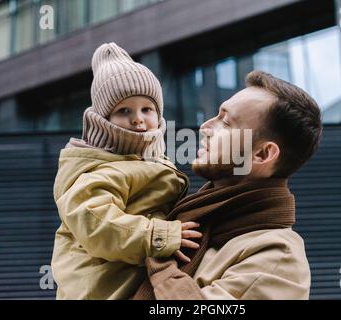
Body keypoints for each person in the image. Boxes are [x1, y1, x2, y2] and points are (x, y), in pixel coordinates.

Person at [133, 70, 322, 300]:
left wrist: (159, 262)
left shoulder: (278, 256)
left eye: (226, 122)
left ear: (262, 153)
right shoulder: (186, 218)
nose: (205, 127)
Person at [51, 42, 201, 299]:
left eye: (147, 109)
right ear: (103, 121)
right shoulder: (100, 168)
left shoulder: (151, 162)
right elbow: (95, 221)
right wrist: (156, 235)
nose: (138, 119)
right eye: (124, 111)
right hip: (102, 288)